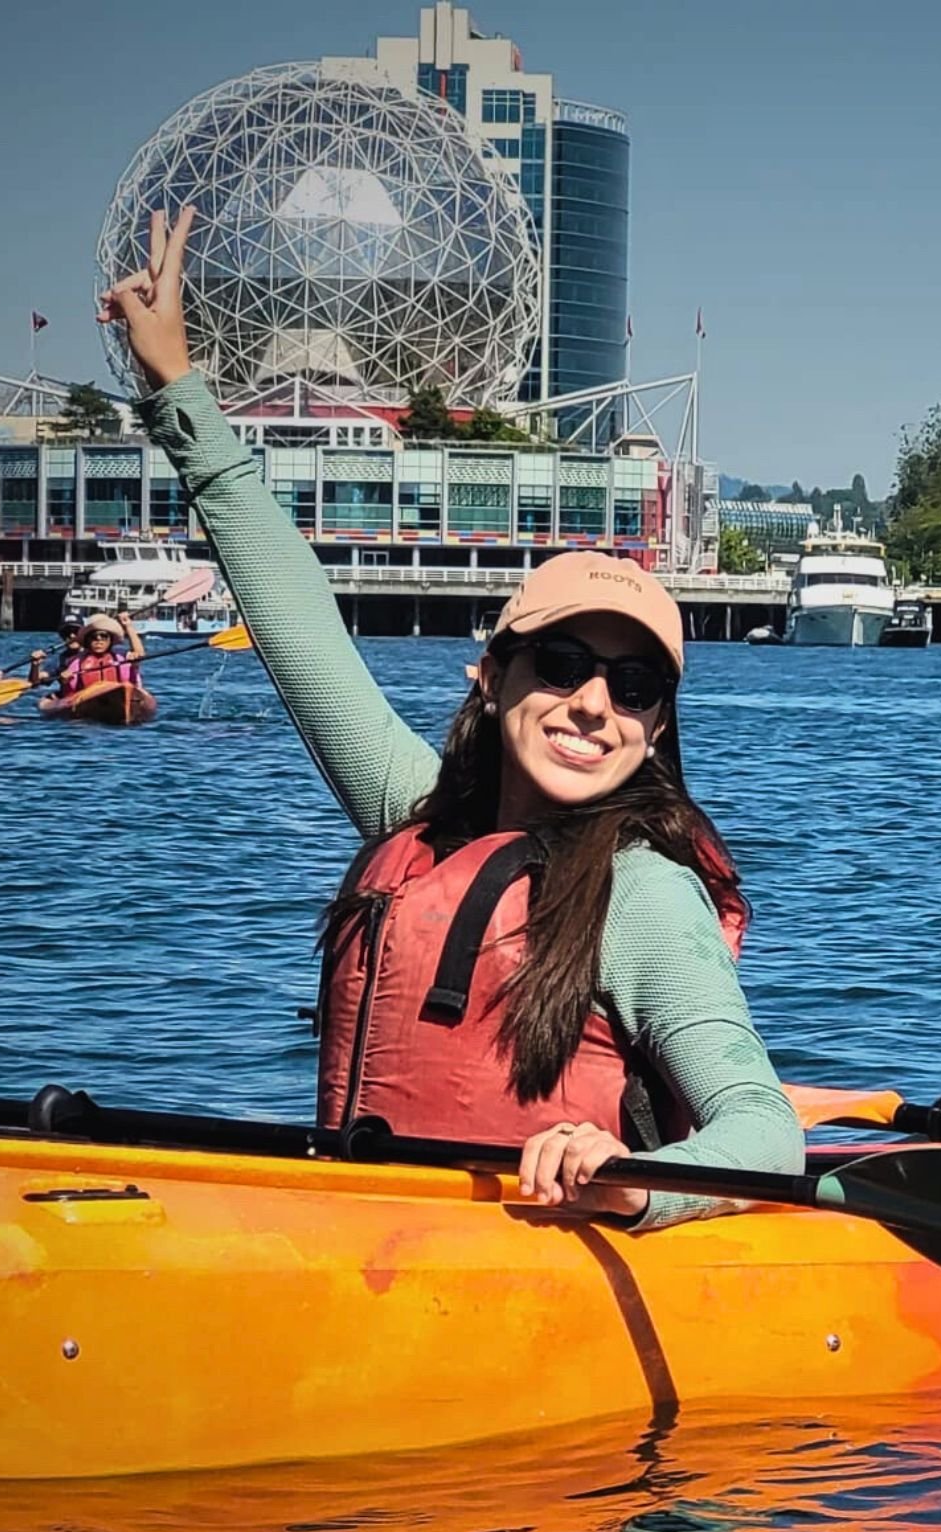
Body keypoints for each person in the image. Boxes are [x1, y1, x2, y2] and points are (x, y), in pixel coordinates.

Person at [103, 207, 803, 1226]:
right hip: (368, 1247)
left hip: (529, 1276)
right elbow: (301, 626)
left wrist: (627, 1173)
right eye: (562, 663)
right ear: (490, 675)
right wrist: (178, 387)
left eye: (632, 685)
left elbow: (764, 1130)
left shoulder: (643, 895)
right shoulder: (420, 816)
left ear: (656, 727)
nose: (593, 702)